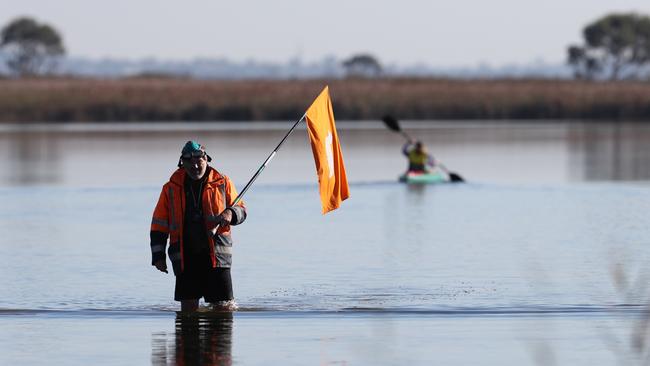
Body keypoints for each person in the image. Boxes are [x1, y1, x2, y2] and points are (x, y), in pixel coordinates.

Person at [150, 141, 247, 312]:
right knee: (187, 312)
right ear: (182, 163)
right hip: (184, 258)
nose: (195, 166)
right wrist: (158, 256)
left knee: (223, 310)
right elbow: (158, 225)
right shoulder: (170, 188)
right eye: (189, 162)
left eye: (199, 161)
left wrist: (230, 213)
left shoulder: (223, 182)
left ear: (206, 160)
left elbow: (242, 210)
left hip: (217, 258)